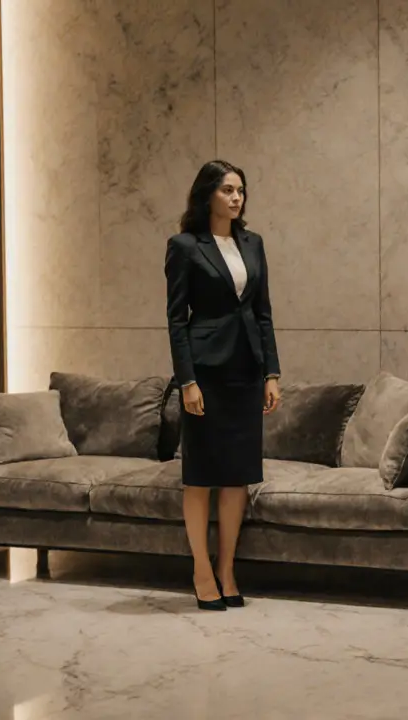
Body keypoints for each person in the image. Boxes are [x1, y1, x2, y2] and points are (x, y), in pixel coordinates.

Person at [166, 159, 282, 611]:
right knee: (201, 477)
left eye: (241, 190)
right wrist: (187, 381)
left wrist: (271, 372)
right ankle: (200, 570)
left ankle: (228, 570)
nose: (236, 198)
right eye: (228, 190)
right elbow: (177, 321)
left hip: (246, 372)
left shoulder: (253, 244)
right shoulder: (184, 246)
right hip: (206, 374)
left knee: (237, 478)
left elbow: (264, 313)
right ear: (208, 194)